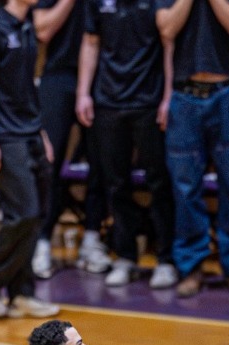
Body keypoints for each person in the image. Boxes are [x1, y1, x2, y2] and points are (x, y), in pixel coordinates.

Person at [0, 0, 62, 319]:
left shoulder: (27, 26)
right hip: (6, 137)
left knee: (38, 215)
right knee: (23, 211)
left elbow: (28, 86)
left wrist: (43, 133)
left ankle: (22, 292)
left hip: (31, 133)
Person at [76, 0, 177, 288]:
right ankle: (126, 256)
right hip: (108, 101)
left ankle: (165, 259)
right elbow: (90, 42)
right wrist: (84, 93)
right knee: (116, 183)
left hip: (148, 101)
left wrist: (168, 97)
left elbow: (168, 44)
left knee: (159, 182)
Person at [156, 0, 229, 297]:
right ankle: (191, 266)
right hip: (184, 97)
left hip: (226, 94)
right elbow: (167, 27)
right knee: (185, 189)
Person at [31, 0, 87, 281]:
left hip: (108, 76)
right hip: (60, 74)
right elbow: (42, 30)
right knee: (48, 161)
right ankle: (41, 240)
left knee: (104, 163)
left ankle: (93, 238)